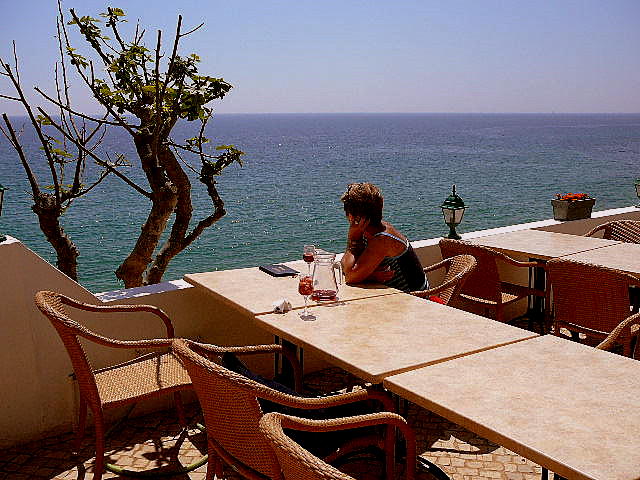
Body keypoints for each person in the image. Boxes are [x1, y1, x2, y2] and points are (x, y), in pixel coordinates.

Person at [340, 182, 428, 292]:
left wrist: (353, 239)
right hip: (392, 294)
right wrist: (370, 276)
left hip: (416, 298)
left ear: (352, 216)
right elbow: (345, 268)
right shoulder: (369, 230)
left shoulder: (382, 239)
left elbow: (349, 277)